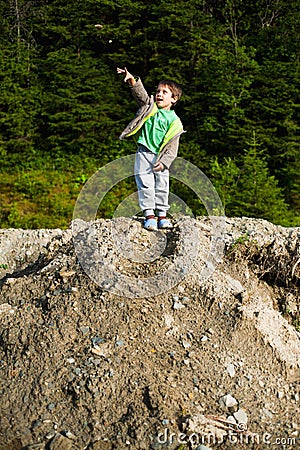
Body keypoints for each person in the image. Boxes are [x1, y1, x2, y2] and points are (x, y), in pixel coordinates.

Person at [117, 67, 185, 231]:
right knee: (145, 185)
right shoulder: (150, 107)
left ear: (174, 99)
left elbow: (172, 148)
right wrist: (132, 80)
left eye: (165, 92)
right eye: (158, 91)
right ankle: (149, 215)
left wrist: (164, 162)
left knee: (162, 186)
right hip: (143, 154)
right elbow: (140, 95)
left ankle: (162, 215)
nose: (160, 94)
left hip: (160, 159)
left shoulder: (175, 122)